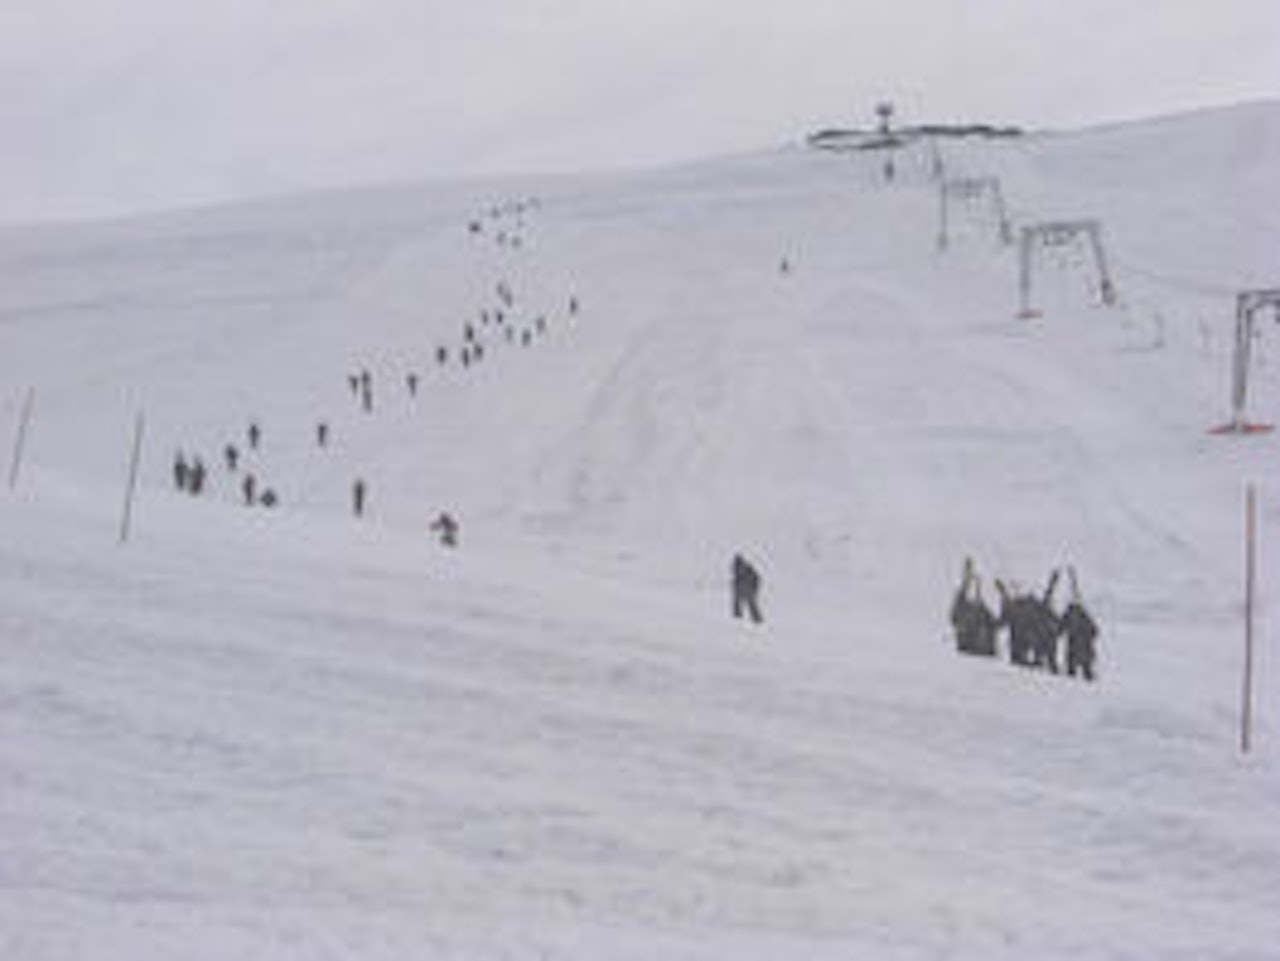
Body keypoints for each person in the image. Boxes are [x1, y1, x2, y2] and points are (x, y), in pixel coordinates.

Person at [950, 557, 997, 657]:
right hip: (969, 648)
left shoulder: (982, 611)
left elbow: (994, 624)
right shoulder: (963, 607)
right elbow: (954, 618)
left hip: (980, 650)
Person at [1061, 567, 1099, 681]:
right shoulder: (1080, 615)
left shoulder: (1081, 616)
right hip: (1077, 648)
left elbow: (1094, 631)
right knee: (1076, 671)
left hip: (1080, 648)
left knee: (1081, 671)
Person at [731, 553, 764, 624]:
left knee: (751, 604)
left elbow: (756, 578)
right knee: (737, 602)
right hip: (740, 588)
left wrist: (754, 588)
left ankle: (757, 619)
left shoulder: (748, 568)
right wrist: (735, 585)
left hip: (748, 588)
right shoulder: (736, 568)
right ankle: (738, 617)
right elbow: (736, 579)